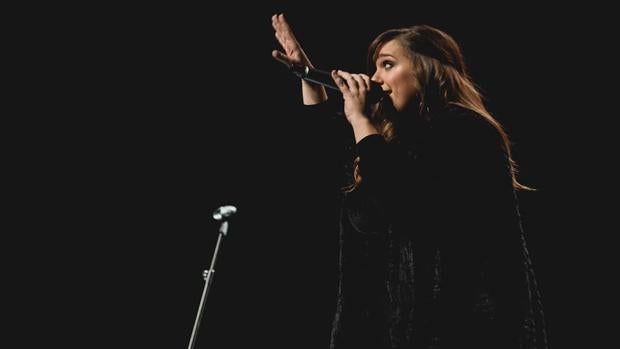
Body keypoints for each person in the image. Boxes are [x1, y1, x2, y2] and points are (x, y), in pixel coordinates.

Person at [271, 13, 548, 349]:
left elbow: (403, 200)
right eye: (375, 67)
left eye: (388, 65)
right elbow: (321, 162)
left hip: (459, 331)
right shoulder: (390, 141)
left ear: (427, 68)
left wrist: (360, 120)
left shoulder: (469, 132)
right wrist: (309, 77)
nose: (375, 78)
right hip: (381, 331)